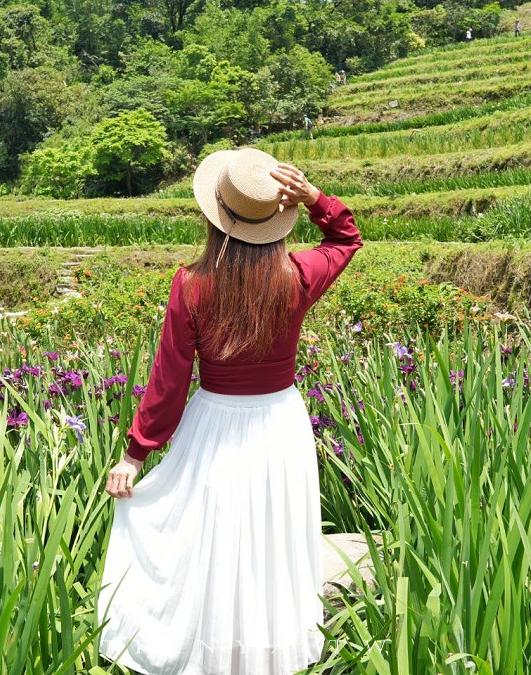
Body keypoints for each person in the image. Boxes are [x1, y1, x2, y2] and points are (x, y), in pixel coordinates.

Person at [97, 147, 363, 674]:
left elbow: (169, 379)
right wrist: (314, 198)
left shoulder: (192, 285)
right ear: (275, 218)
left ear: (216, 217)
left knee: (212, 537)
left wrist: (135, 454)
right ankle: (265, 648)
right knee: (271, 535)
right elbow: (346, 238)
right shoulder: (298, 276)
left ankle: (209, 648)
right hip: (279, 424)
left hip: (214, 422)